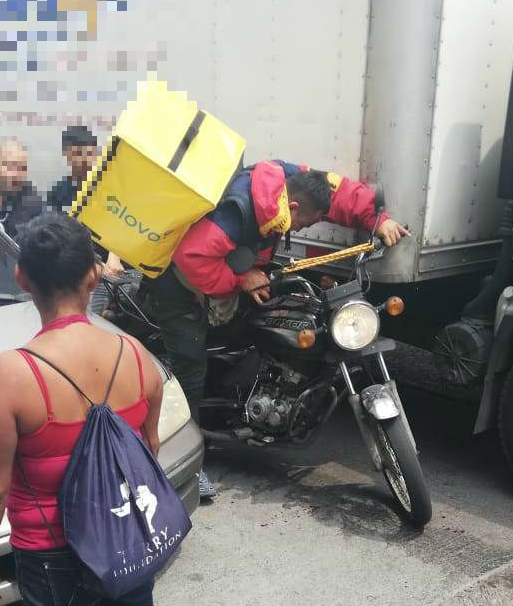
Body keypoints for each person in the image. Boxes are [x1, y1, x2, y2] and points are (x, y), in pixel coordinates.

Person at [144, 160, 409, 498]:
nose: (299, 229)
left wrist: (378, 220)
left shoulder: (290, 177)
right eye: (302, 222)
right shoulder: (236, 212)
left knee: (284, 305)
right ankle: (187, 465)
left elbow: (336, 193)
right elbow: (190, 258)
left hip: (228, 261)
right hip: (177, 280)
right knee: (191, 365)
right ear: (292, 206)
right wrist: (240, 279)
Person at [0, 213, 163, 606]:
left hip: (51, 552)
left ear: (22, 278)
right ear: (94, 275)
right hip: (126, 534)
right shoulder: (137, 356)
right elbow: (149, 449)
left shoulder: (10, 374)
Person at [48, 125, 127, 314]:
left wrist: (113, 259)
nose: (85, 159)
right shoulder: (61, 192)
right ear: (67, 155)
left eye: (89, 152)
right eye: (77, 153)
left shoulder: (112, 184)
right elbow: (65, 238)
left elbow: (124, 224)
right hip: (85, 267)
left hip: (118, 264)